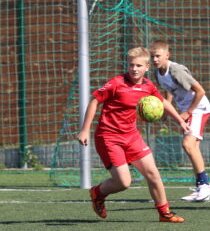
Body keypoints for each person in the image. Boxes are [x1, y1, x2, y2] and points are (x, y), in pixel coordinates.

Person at [78, 47, 191, 223]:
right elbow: (95, 101)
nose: (134, 69)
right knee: (123, 182)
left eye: (139, 65)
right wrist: (85, 130)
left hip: (131, 136)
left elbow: (162, 102)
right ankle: (97, 192)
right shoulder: (116, 83)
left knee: (153, 173)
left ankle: (164, 213)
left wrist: (180, 121)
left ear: (147, 67)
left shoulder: (148, 86)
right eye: (131, 65)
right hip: (109, 137)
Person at [150, 40, 210, 202]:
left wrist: (188, 112)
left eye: (158, 56)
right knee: (193, 148)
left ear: (167, 55)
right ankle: (202, 186)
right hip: (189, 110)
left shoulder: (176, 70)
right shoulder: (157, 73)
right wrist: (167, 109)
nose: (155, 59)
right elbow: (170, 90)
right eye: (152, 57)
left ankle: (205, 185)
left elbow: (200, 91)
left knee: (187, 144)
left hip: (198, 109)